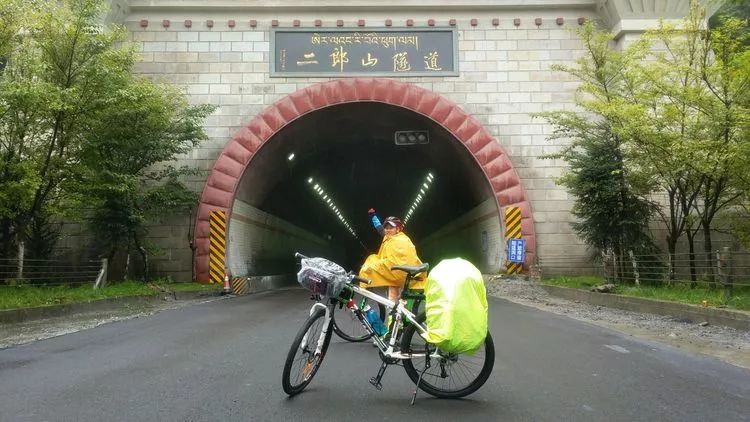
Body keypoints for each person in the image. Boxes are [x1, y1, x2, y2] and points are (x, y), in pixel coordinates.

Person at [359, 211, 425, 303]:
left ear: (397, 229)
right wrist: (373, 216)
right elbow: (379, 228)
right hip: (394, 274)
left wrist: (370, 267)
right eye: (386, 227)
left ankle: (399, 315)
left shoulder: (402, 240)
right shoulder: (388, 236)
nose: (387, 230)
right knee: (394, 304)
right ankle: (396, 316)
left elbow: (405, 258)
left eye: (391, 228)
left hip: (400, 274)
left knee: (400, 302)